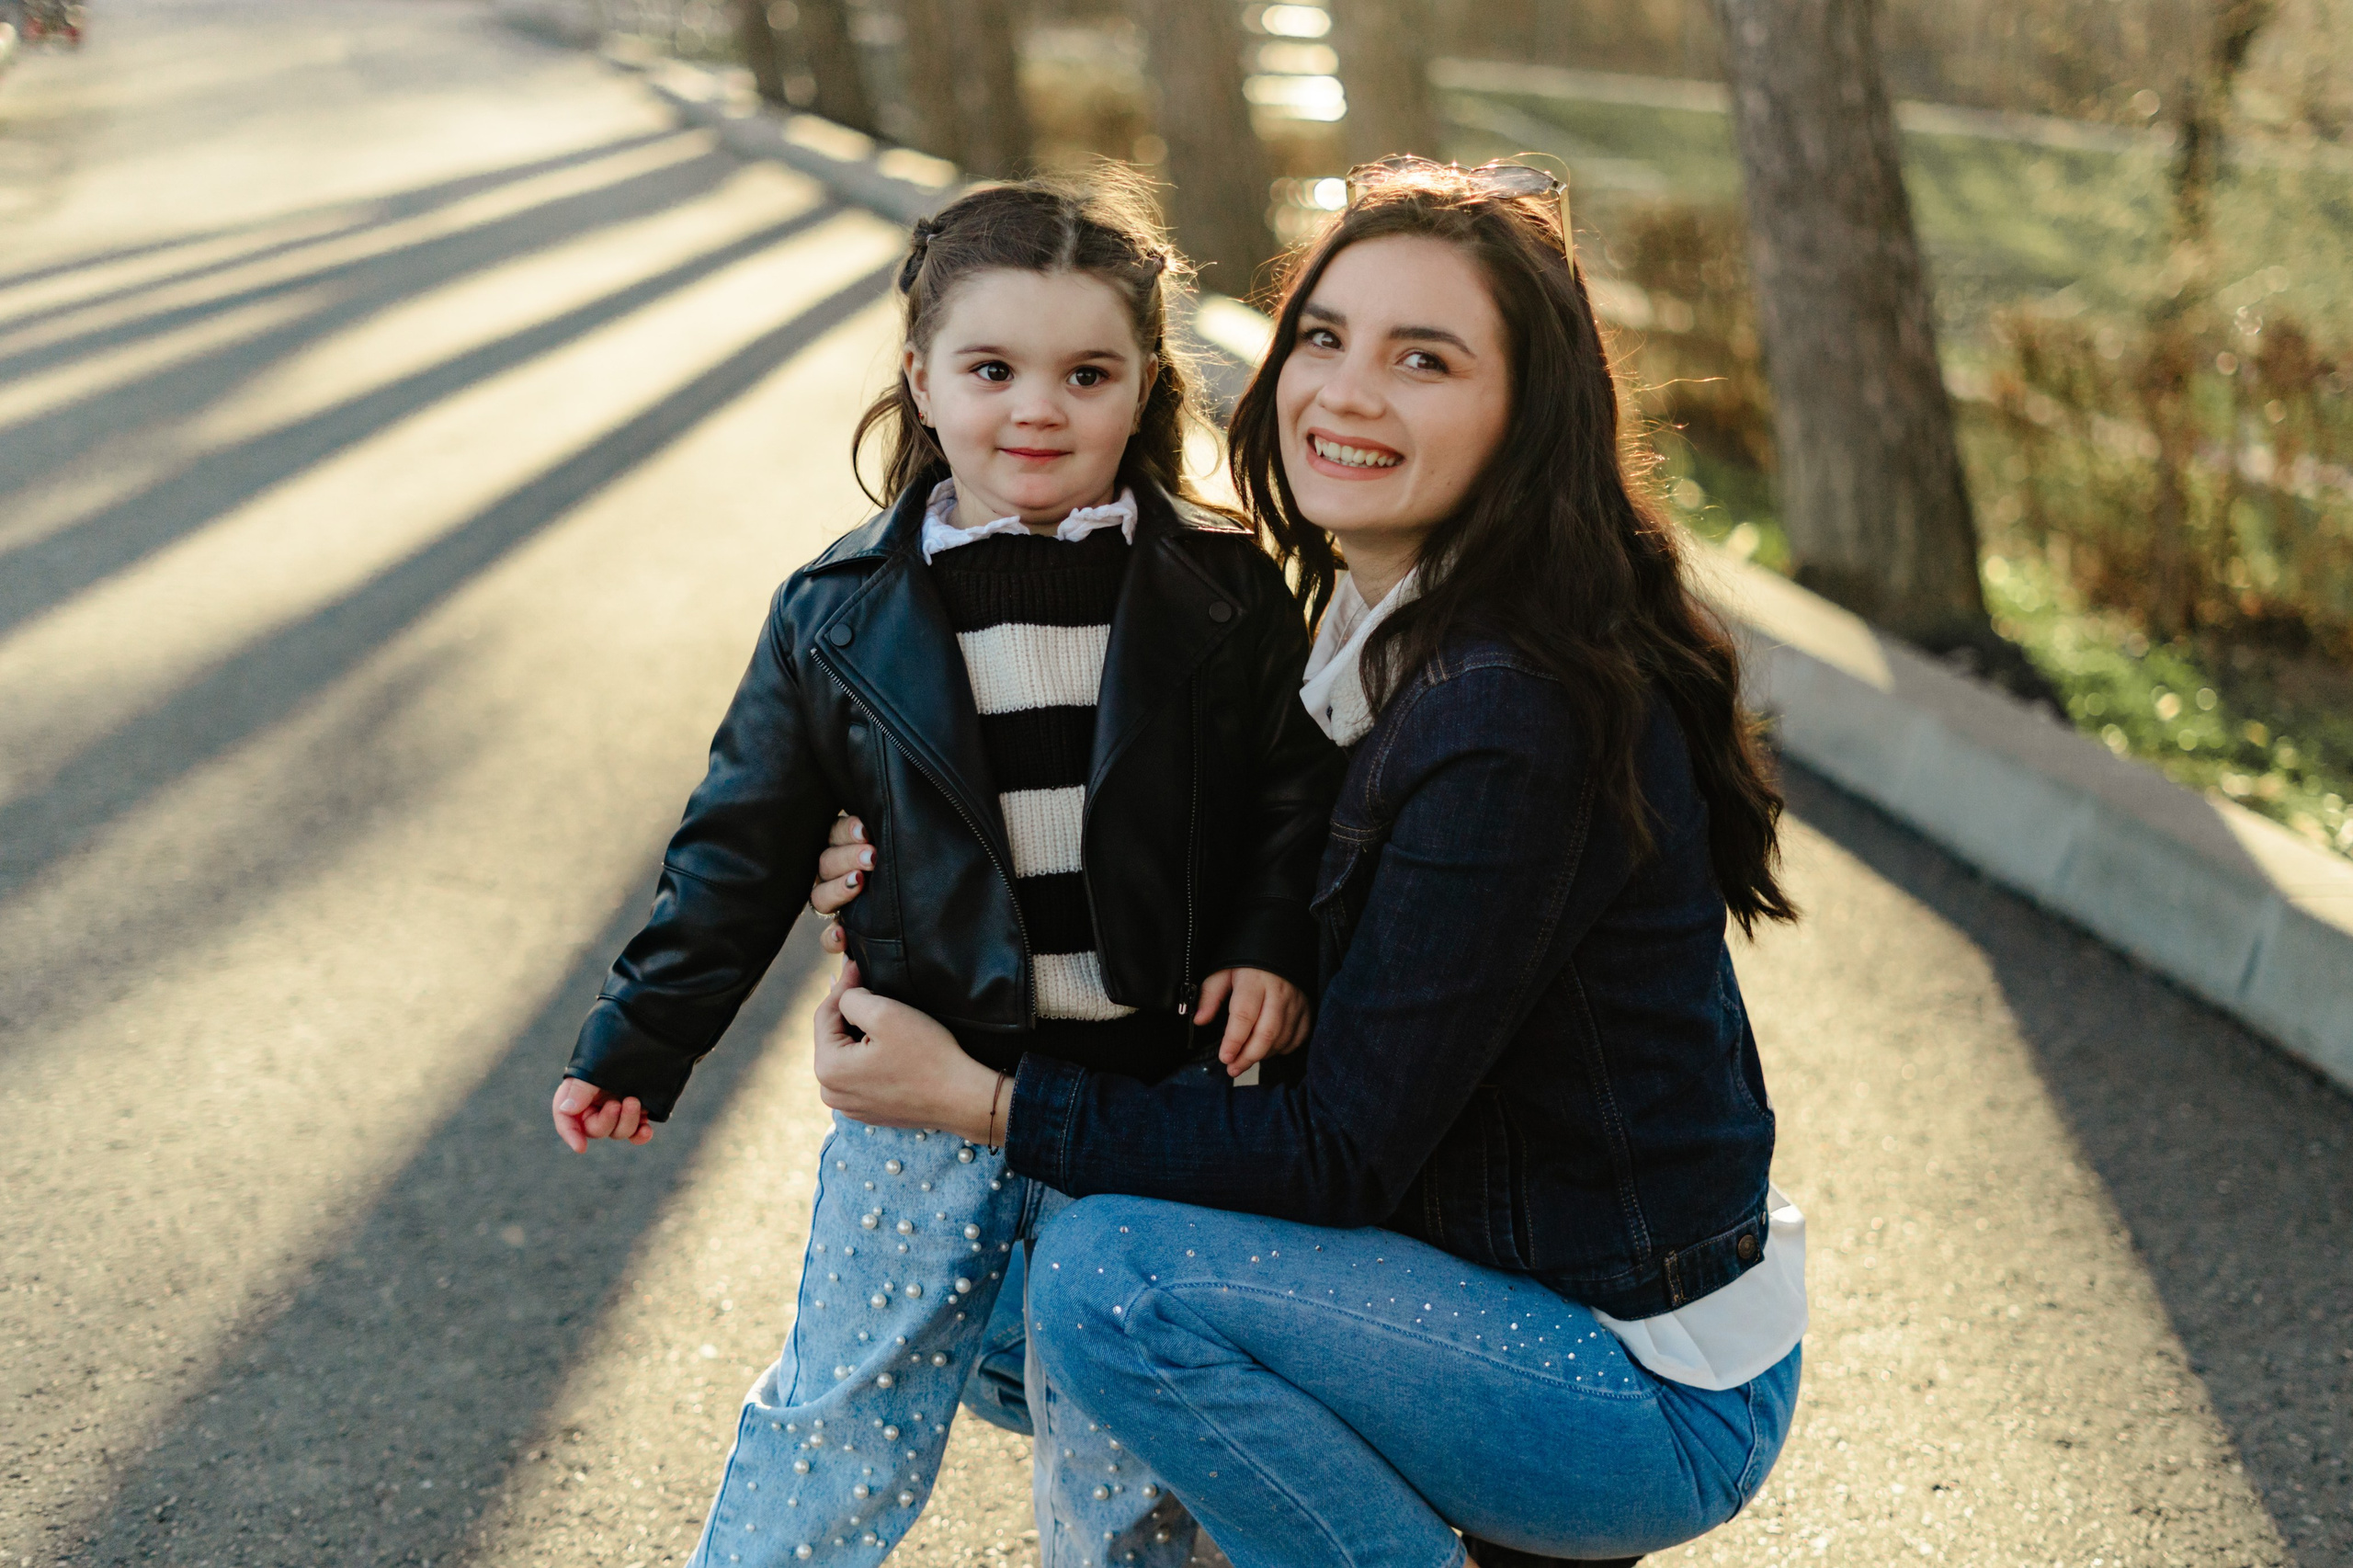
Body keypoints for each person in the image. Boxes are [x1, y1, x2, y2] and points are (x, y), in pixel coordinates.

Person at [804, 159, 1807, 1568]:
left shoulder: (1509, 711)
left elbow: (1338, 1147)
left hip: (1628, 1384)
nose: (1345, 392)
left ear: (1529, 411)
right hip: (1475, 1287)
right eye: (1324, 338)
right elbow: (1192, 894)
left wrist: (980, 1097)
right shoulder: (1363, 627)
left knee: (1108, 1284)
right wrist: (914, 868)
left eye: (1424, 359)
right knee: (982, 1270)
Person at [547, 172, 1343, 1567]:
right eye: (992, 369)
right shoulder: (838, 614)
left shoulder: (1220, 593)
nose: (1038, 408)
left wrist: (1268, 940)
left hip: (1150, 1093)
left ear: (1144, 388)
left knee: (1120, 1451)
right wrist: (643, 1038)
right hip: (924, 1084)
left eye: (1086, 374)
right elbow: (738, 846)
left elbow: (1293, 793)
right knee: (845, 1403)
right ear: (920, 378)